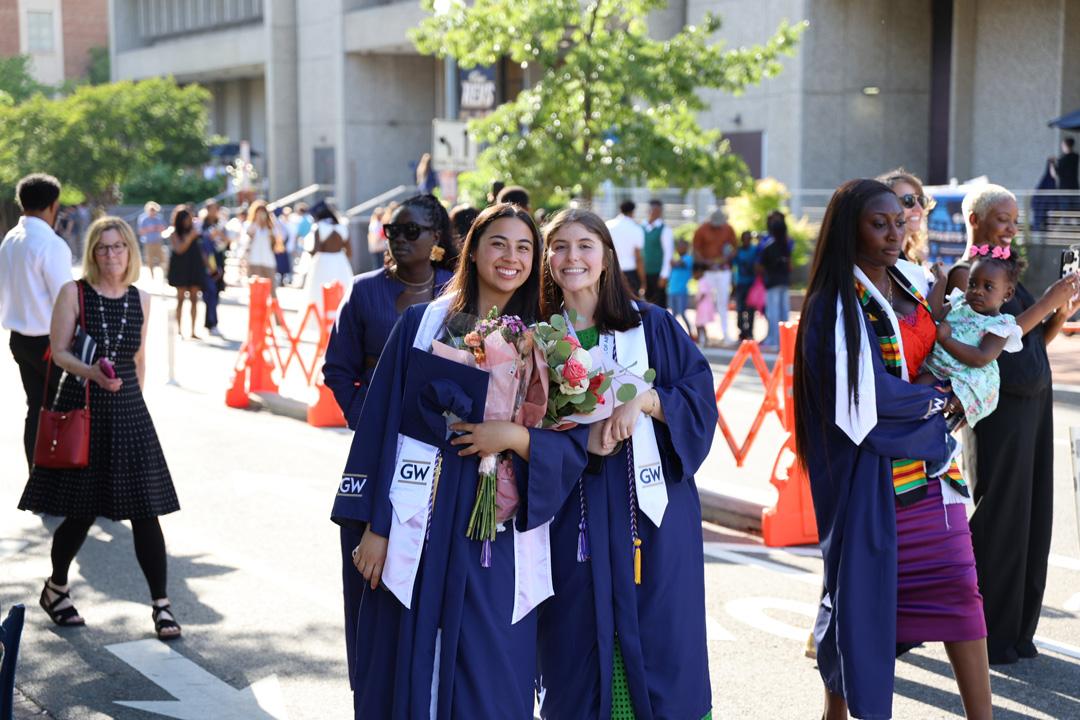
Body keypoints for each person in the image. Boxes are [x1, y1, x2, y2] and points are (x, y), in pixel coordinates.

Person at [335, 203, 586, 719]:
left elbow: (571, 448)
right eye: (498, 243)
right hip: (422, 520)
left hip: (498, 531)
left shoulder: (548, 343)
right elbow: (383, 428)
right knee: (410, 655)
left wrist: (514, 436)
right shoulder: (421, 327)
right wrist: (378, 526)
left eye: (523, 247)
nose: (510, 257)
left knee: (491, 669)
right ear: (472, 252)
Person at [793, 179, 991, 720]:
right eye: (878, 224)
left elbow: (944, 349)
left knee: (962, 592)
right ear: (846, 229)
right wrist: (934, 402)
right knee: (859, 611)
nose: (893, 233)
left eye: (899, 221)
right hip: (874, 485)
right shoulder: (833, 304)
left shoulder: (910, 278)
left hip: (931, 475)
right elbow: (862, 403)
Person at [535, 208, 716, 719]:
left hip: (652, 516)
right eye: (560, 247)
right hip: (574, 514)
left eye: (585, 245)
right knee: (573, 635)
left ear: (607, 256)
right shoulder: (536, 338)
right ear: (547, 260)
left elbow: (698, 398)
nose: (573, 257)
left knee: (664, 633)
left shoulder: (650, 324)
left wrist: (646, 400)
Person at [323, 193, 457, 714]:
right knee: (370, 574)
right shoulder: (364, 293)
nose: (399, 240)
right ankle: (373, 693)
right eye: (392, 231)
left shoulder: (458, 296)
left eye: (411, 231)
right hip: (377, 457)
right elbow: (338, 368)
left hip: (443, 458)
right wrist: (367, 418)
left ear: (438, 240)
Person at [18, 216, 181, 640]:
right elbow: (57, 351)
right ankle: (56, 588)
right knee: (81, 511)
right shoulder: (75, 293)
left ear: (131, 251)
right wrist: (91, 372)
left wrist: (134, 400)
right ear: (92, 254)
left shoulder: (141, 299)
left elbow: (138, 359)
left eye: (119, 247)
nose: (111, 255)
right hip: (86, 407)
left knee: (146, 511)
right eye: (103, 248)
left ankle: (161, 606)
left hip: (129, 412)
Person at [946, 184, 1080, 665]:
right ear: (974, 220)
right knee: (1000, 519)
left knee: (1033, 518)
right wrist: (1046, 301)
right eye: (1002, 217)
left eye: (1014, 217)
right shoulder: (969, 273)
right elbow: (992, 335)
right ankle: (987, 634)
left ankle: (1020, 631)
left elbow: (1029, 340)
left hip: (1034, 404)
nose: (1012, 225)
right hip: (998, 414)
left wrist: (1060, 312)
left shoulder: (1005, 270)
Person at [0, 174, 72, 471]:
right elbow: (66, 299)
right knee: (64, 410)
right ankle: (58, 481)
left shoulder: (9, 240)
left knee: (37, 409)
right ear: (53, 205)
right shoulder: (50, 244)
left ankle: (37, 477)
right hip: (49, 340)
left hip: (19, 337)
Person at [692, 209, 736, 344]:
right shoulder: (702, 230)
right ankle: (703, 335)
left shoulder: (728, 229)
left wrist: (724, 259)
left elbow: (733, 249)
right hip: (707, 272)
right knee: (703, 302)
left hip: (723, 271)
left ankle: (725, 334)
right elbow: (696, 250)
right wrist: (706, 262)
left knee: (723, 302)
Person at [305, 201, 354, 315]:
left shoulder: (318, 227)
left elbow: (315, 250)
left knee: (318, 292)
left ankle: (321, 317)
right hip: (340, 261)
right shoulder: (343, 227)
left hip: (323, 262)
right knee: (342, 291)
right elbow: (350, 252)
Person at [166, 206, 206, 340]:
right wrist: (190, 237)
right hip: (181, 269)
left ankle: (194, 330)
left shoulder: (195, 232)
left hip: (194, 267)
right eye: (186, 219)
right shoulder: (174, 232)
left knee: (195, 300)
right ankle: (179, 330)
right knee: (181, 300)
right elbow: (179, 249)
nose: (189, 222)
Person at [879, 169, 935, 265]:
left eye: (921, 201)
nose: (919, 209)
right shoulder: (878, 262)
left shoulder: (916, 259)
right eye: (908, 200)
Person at [758, 211, 792, 349]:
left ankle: (774, 340)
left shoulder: (768, 247)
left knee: (773, 313)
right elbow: (789, 265)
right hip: (784, 282)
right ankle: (785, 341)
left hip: (772, 283)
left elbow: (761, 265)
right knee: (784, 312)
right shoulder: (786, 245)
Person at [198, 202, 225, 337]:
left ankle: (212, 322)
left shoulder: (220, 224)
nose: (214, 211)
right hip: (208, 266)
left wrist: (220, 235)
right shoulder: (201, 226)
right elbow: (202, 247)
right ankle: (211, 322)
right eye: (212, 209)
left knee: (216, 293)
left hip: (219, 262)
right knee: (210, 294)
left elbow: (227, 242)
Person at [607, 200, 645, 296]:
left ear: (620, 210)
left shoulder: (608, 225)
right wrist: (643, 280)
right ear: (633, 212)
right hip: (630, 273)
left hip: (612, 270)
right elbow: (638, 257)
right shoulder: (636, 228)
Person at [641, 199, 675, 308]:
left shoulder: (665, 229)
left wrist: (664, 275)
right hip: (643, 272)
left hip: (658, 273)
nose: (653, 212)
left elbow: (668, 253)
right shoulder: (641, 227)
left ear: (660, 211)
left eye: (656, 210)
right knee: (646, 304)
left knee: (659, 305)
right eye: (651, 209)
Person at [244, 200, 281, 286]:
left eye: (263, 212)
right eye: (258, 212)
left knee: (272, 287)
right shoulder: (250, 225)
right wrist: (257, 222)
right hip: (254, 260)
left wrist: (268, 224)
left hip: (268, 259)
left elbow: (277, 241)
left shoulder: (271, 227)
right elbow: (249, 235)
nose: (261, 214)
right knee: (256, 287)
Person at [732, 230, 760, 341]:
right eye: (745, 238)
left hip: (751, 284)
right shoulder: (738, 251)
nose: (747, 241)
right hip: (740, 284)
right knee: (740, 309)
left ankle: (750, 332)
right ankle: (742, 331)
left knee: (751, 310)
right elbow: (733, 266)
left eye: (749, 238)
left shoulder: (754, 250)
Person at [667, 237, 694, 335]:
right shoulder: (677, 259)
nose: (679, 248)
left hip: (681, 291)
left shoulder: (688, 258)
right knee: (673, 315)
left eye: (681, 246)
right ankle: (673, 334)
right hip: (671, 291)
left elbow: (678, 264)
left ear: (686, 248)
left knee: (682, 314)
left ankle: (691, 333)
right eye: (678, 247)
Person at [137, 201, 167, 282]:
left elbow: (163, 228)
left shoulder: (159, 218)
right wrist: (149, 229)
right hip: (148, 242)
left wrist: (156, 228)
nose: (153, 212)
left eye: (154, 210)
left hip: (158, 241)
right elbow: (141, 231)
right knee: (149, 260)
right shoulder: (143, 218)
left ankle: (164, 275)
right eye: (151, 210)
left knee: (162, 259)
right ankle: (152, 276)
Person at [692, 262, 716, 347]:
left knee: (699, 324)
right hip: (704, 306)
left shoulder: (702, 281)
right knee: (701, 324)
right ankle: (704, 340)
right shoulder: (705, 280)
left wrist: (697, 300)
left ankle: (701, 340)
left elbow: (703, 293)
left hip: (703, 306)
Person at [367, 204, 387, 269]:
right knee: (377, 265)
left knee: (381, 264)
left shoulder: (379, 223)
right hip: (377, 247)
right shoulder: (374, 224)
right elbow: (376, 236)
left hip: (380, 247)